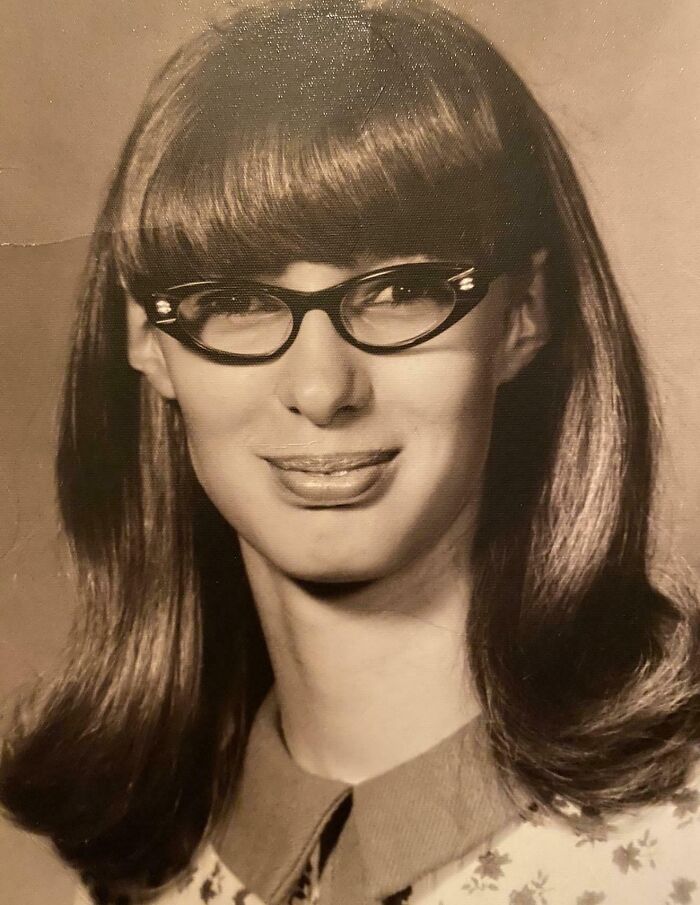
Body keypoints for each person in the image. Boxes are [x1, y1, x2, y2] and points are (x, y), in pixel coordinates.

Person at [2, 0, 699, 902]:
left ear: (522, 315)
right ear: (149, 339)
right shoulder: (142, 877)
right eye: (235, 300)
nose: (322, 388)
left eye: (401, 289)